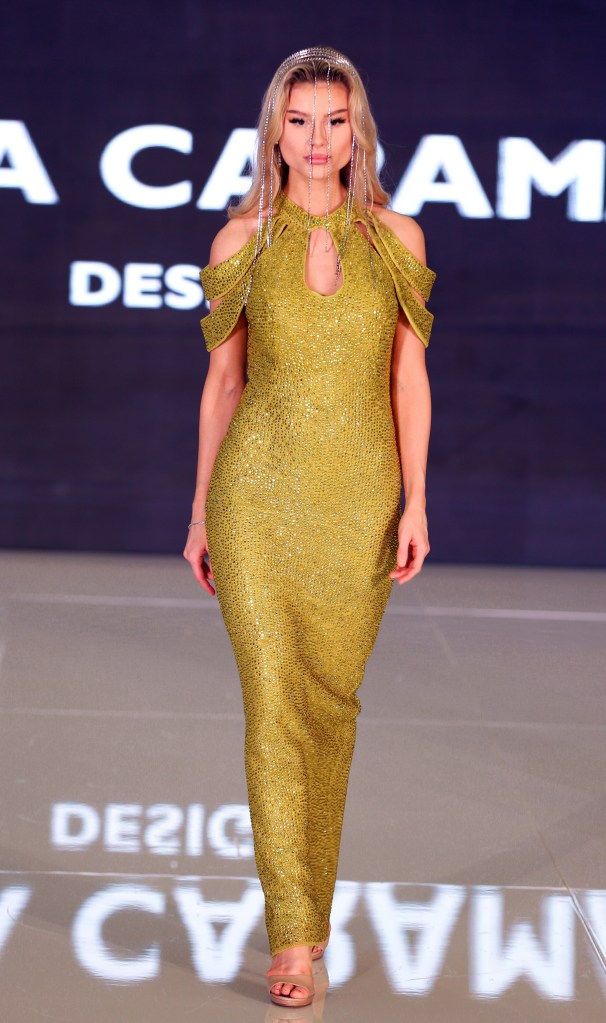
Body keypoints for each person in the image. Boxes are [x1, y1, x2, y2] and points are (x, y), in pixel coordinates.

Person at [183, 45, 436, 1009]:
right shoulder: (238, 241)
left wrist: (416, 500)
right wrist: (201, 510)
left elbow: (408, 376)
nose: (318, 139)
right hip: (255, 496)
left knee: (329, 708)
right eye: (300, 121)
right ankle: (291, 934)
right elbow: (224, 382)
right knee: (273, 704)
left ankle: (311, 912)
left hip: (360, 497)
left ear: (357, 130)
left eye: (334, 120)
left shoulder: (396, 239)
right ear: (274, 131)